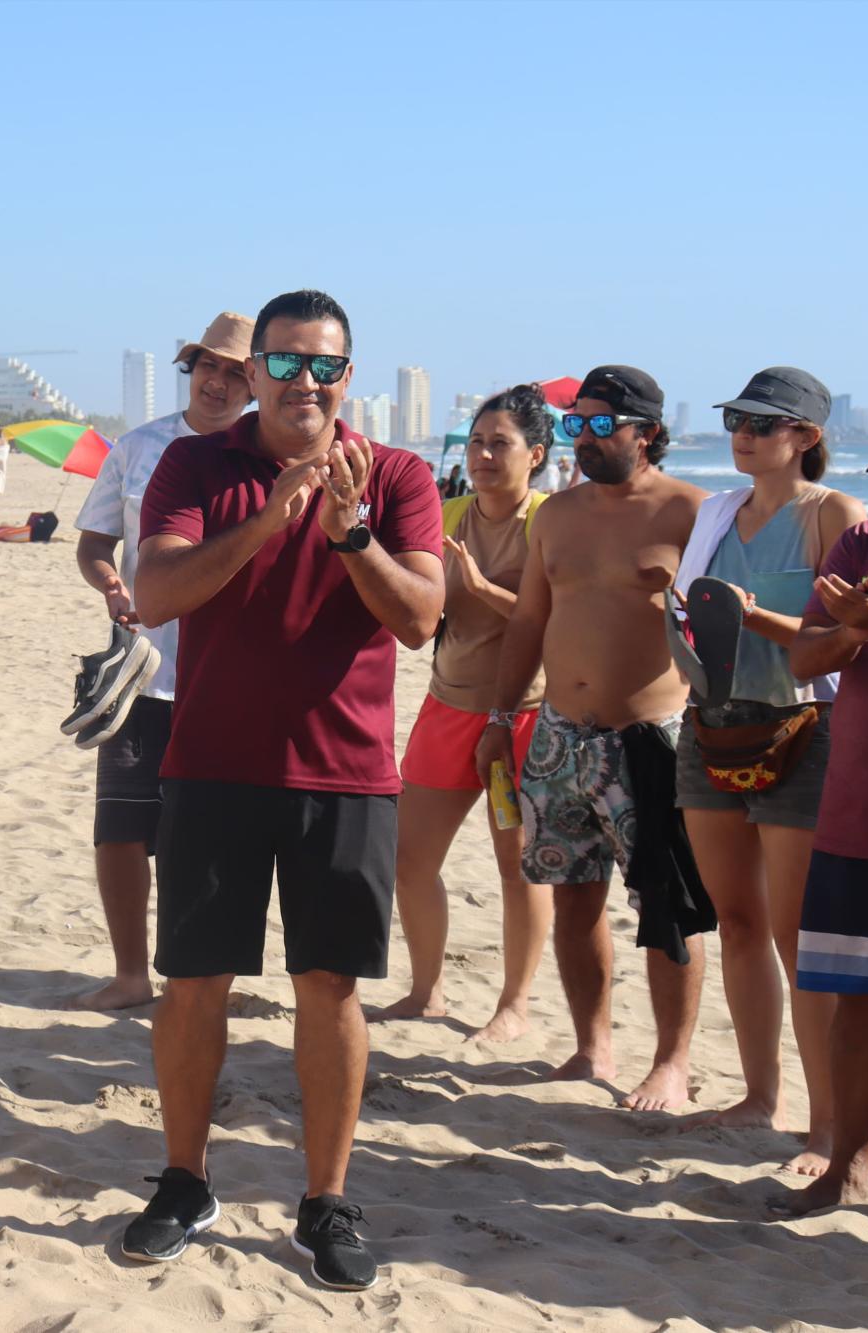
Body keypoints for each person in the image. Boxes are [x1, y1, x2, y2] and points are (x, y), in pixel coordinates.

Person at [119, 290, 442, 1289]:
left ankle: (325, 1198)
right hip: (213, 760)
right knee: (193, 981)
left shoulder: (395, 475)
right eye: (286, 361)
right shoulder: (193, 462)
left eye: (325, 365)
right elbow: (157, 593)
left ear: (347, 377)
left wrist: (348, 533)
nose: (305, 381)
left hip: (344, 770)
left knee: (330, 984)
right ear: (250, 369)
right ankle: (183, 1178)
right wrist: (269, 516)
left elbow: (422, 617)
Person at [475, 365, 713, 1111]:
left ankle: (671, 1063)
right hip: (557, 740)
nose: (584, 438)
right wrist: (496, 715)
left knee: (666, 904)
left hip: (652, 739)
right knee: (573, 901)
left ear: (648, 432)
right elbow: (528, 621)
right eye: (575, 424)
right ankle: (592, 1045)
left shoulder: (692, 512)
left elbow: (724, 627)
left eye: (602, 425)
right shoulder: (558, 515)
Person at [672, 369, 863, 1170]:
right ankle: (759, 1095)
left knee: (797, 936)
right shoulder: (716, 511)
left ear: (807, 436)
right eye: (736, 417)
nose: (744, 432)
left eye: (764, 420)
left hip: (803, 726)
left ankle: (824, 1128)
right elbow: (687, 613)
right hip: (712, 722)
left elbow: (841, 636)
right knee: (738, 921)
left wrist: (753, 615)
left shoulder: (833, 514)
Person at [65, 311, 254, 1010]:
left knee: (210, 836)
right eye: (209, 365)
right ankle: (130, 972)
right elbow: (93, 542)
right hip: (141, 670)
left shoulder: (265, 457)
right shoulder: (139, 448)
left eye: (237, 371)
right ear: (192, 369)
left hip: (229, 679)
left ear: (257, 381)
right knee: (119, 828)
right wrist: (109, 582)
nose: (219, 381)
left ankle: (198, 972)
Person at [372, 384, 555, 1042]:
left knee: (518, 864)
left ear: (535, 454)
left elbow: (560, 624)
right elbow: (413, 602)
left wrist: (482, 589)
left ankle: (514, 1004)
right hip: (448, 707)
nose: (482, 454)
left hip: (523, 719)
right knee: (408, 857)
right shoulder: (446, 515)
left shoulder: (547, 521)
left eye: (498, 443)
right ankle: (427, 992)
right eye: (477, 441)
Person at [772, 400, 868, 1217]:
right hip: (862, 812)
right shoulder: (867, 544)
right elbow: (803, 657)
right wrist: (856, 631)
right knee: (860, 1004)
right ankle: (847, 1166)